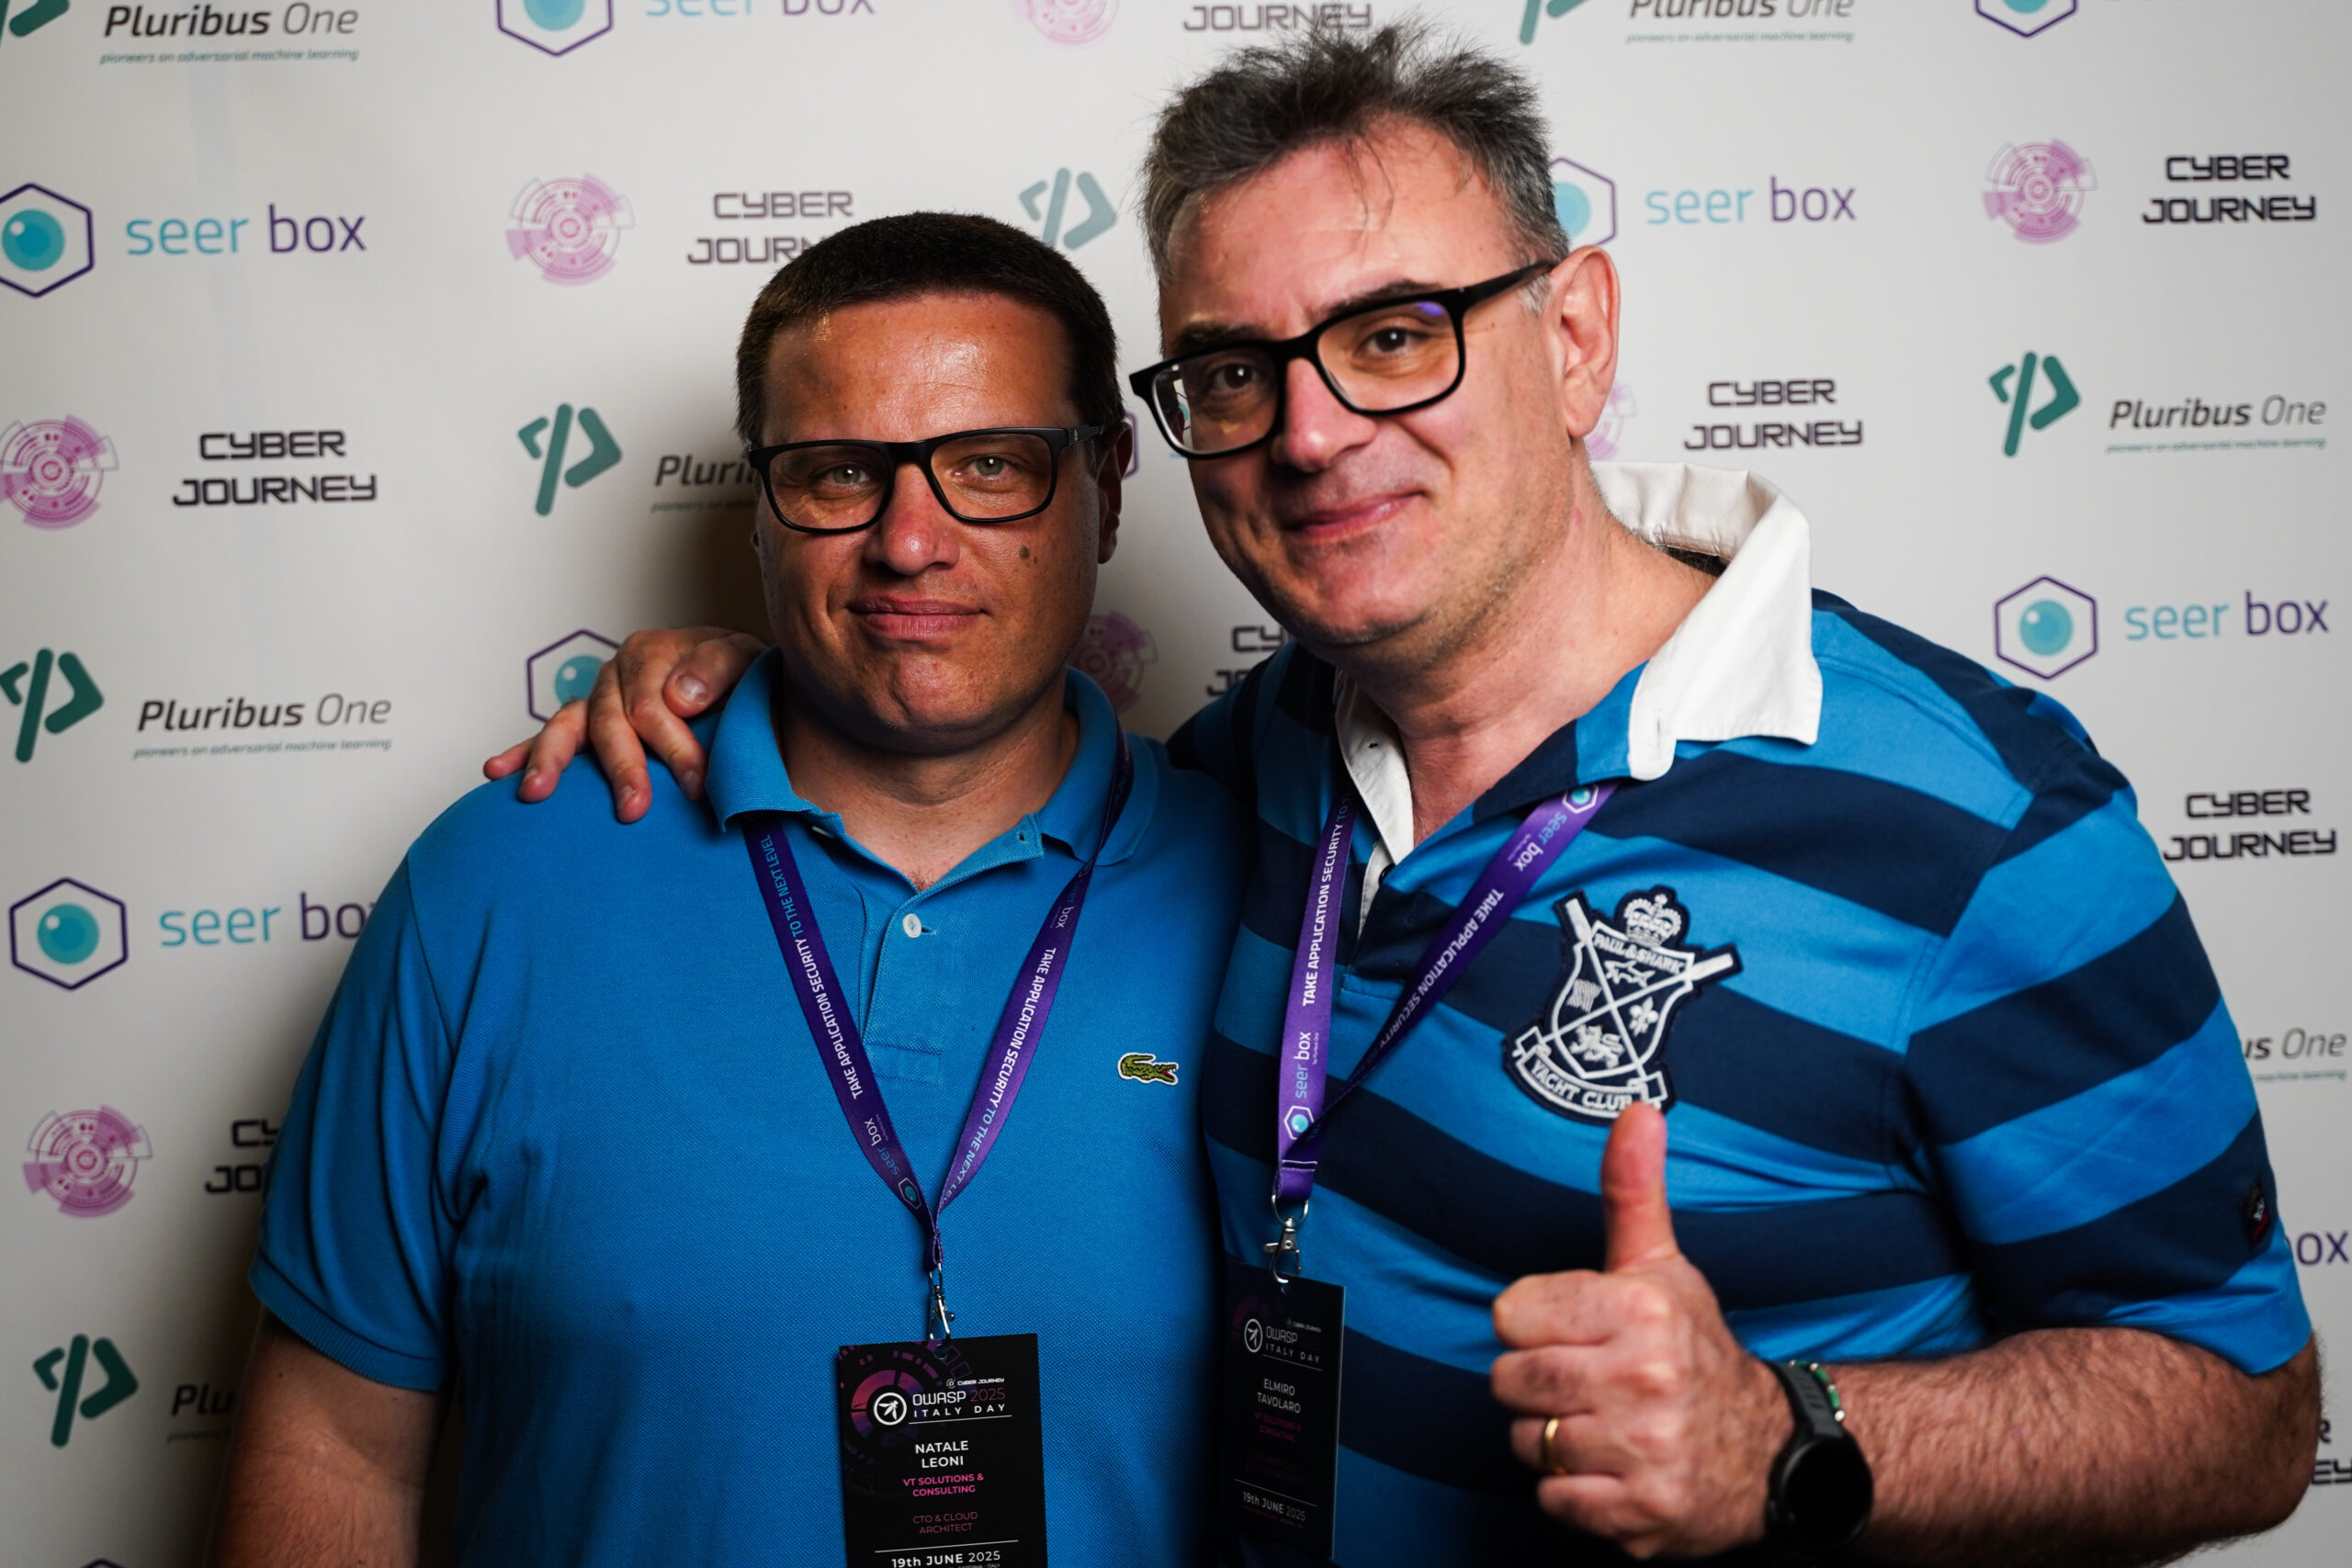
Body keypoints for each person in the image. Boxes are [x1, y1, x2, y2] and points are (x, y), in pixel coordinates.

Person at [491, 24, 2320, 1568]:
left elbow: (2241, 1412)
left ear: (1576, 335)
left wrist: (1786, 1435)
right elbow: (949, 741)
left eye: (1392, 333)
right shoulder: (1262, 758)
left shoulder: (1976, 824)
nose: (1307, 432)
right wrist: (755, 679)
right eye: (1234, 369)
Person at [214, 213, 1253, 1567]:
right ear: (761, 505)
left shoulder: (1279, 897)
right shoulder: (495, 886)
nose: (911, 542)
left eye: (991, 465)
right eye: (839, 474)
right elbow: (334, 1448)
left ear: (1106, 485)